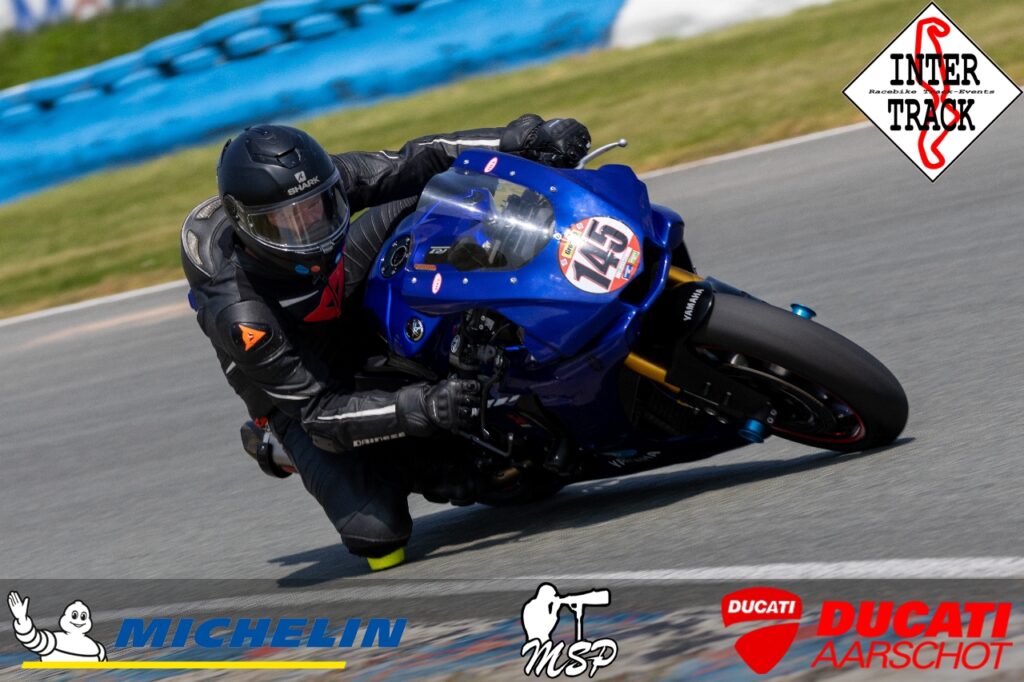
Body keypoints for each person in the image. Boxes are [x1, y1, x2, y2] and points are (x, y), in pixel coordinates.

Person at [180, 115, 591, 570]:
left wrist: (518, 140)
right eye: (285, 223)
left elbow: (420, 157)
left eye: (316, 207)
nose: (309, 227)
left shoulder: (319, 179)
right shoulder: (241, 314)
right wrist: (424, 406)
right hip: (300, 381)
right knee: (379, 536)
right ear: (246, 227)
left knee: (437, 199)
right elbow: (320, 413)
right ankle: (277, 443)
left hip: (337, 286)